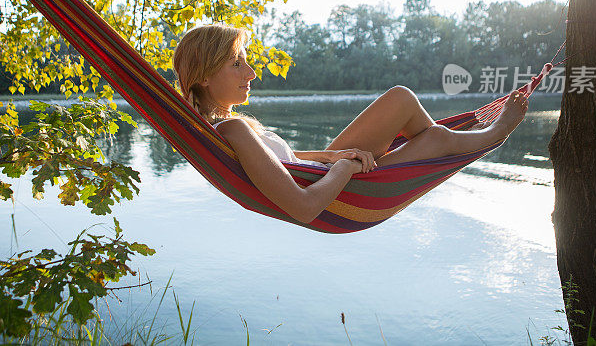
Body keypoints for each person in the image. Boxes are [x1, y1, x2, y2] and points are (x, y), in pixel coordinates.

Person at [173, 24, 528, 224]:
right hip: (336, 194)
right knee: (434, 141)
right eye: (237, 64)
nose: (251, 73)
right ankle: (493, 133)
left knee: (401, 98)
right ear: (204, 77)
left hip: (321, 171)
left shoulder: (231, 127)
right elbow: (304, 207)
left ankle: (455, 139)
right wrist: (344, 167)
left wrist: (332, 156)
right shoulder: (231, 131)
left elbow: (284, 160)